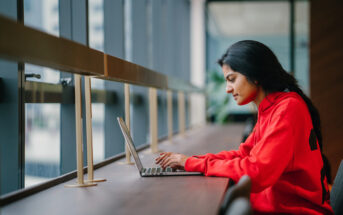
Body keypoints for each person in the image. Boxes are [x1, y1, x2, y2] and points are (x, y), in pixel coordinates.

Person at [155, 40, 333, 214]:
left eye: (232, 79)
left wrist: (192, 163)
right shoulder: (272, 108)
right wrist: (188, 161)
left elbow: (256, 173)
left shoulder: (287, 108)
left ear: (254, 75)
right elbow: (244, 154)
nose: (227, 89)